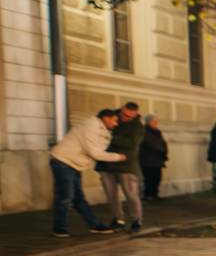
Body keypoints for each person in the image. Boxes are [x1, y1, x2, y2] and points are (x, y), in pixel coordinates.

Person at [48, 109, 123, 238]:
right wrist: (118, 157)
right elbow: (95, 153)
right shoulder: (91, 127)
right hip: (63, 161)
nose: (116, 124)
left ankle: (95, 225)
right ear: (106, 118)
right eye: (115, 120)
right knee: (66, 196)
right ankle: (59, 228)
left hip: (74, 163)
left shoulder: (102, 130)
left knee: (78, 198)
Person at [97, 101, 145, 232]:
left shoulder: (137, 127)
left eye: (129, 116)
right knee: (111, 194)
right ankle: (118, 219)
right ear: (121, 109)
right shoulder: (111, 116)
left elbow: (131, 144)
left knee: (131, 194)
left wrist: (110, 137)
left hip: (126, 165)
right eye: (123, 114)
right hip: (106, 163)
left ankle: (137, 220)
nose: (125, 118)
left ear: (135, 115)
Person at [139, 115, 169, 201]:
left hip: (157, 159)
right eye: (154, 122)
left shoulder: (158, 132)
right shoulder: (144, 131)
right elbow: (152, 144)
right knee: (149, 178)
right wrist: (161, 149)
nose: (156, 123)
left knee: (157, 177)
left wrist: (164, 151)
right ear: (149, 122)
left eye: (156, 122)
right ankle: (148, 195)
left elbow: (163, 143)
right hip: (148, 159)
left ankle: (154, 194)